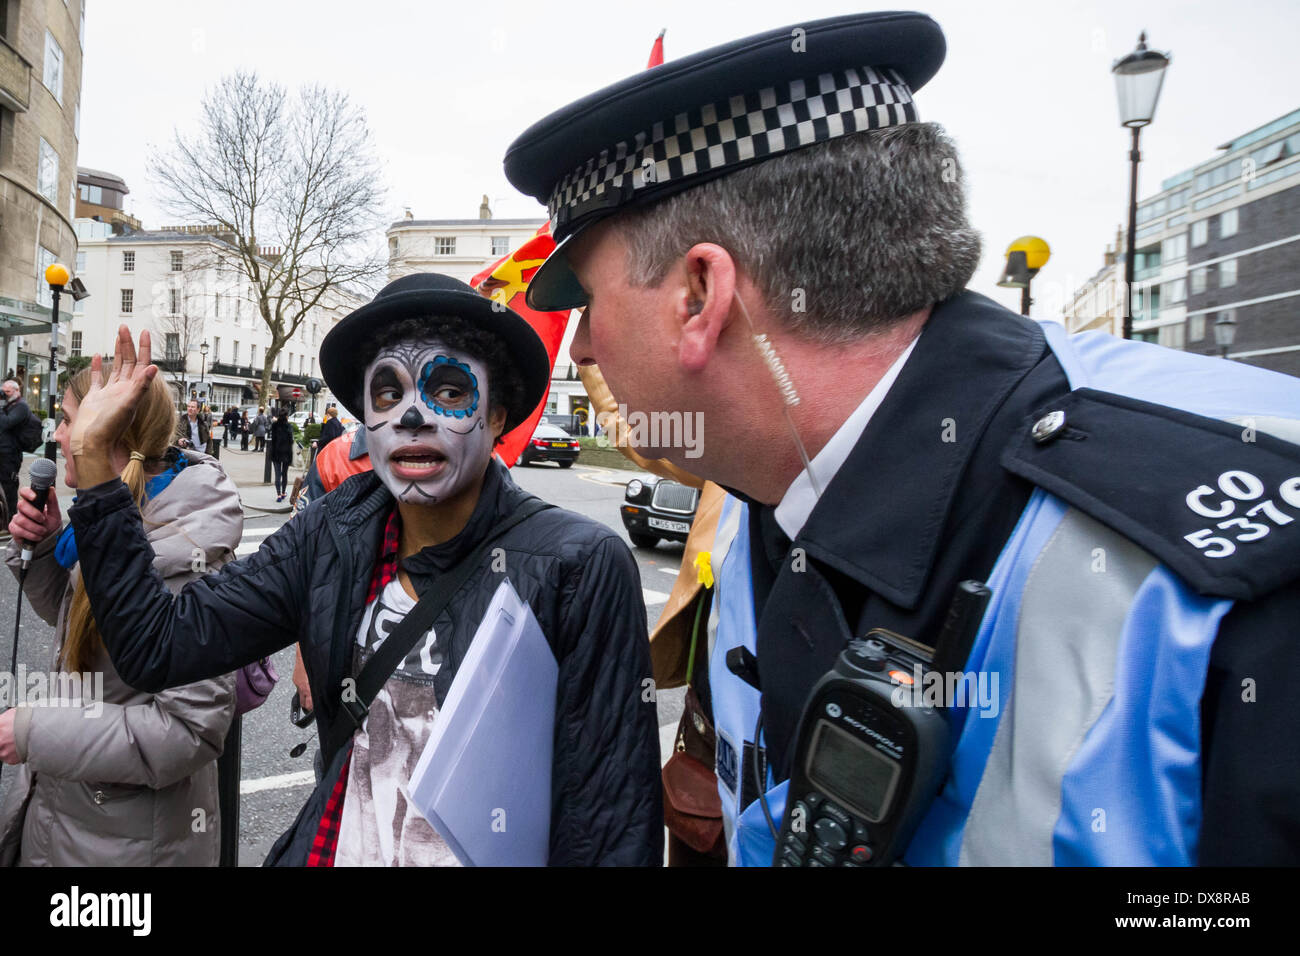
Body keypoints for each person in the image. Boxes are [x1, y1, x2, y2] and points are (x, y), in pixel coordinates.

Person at [505, 11, 1300, 865]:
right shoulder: (769, 492)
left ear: (701, 293)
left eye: (588, 300)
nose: (580, 345)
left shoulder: (1226, 580)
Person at [61, 276, 662, 866]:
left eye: (450, 392)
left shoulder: (578, 566)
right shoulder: (328, 534)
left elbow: (608, 830)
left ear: (499, 416)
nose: (412, 416)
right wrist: (94, 466)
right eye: (387, 394)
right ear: (367, 425)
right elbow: (157, 646)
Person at [0, 365, 242, 866]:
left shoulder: (180, 551)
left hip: (128, 845)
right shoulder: (113, 516)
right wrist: (47, 548)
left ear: (106, 431)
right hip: (70, 815)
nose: (58, 435)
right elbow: (87, 634)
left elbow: (189, 731)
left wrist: (32, 732)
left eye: (68, 421)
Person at [0, 380, 30, 523]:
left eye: (7, 392)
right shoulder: (8, 406)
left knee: (9, 488)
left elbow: (6, 423)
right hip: (3, 453)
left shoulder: (21, 407)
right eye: (3, 392)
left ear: (17, 391)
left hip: (10, 456)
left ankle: (11, 521)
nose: (4, 395)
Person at [268, 408, 293, 503]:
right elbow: (291, 440)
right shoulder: (288, 426)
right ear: (286, 416)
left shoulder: (274, 425)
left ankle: (278, 494)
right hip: (286, 452)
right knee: (284, 473)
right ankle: (283, 493)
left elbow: (272, 438)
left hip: (276, 452)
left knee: (277, 474)